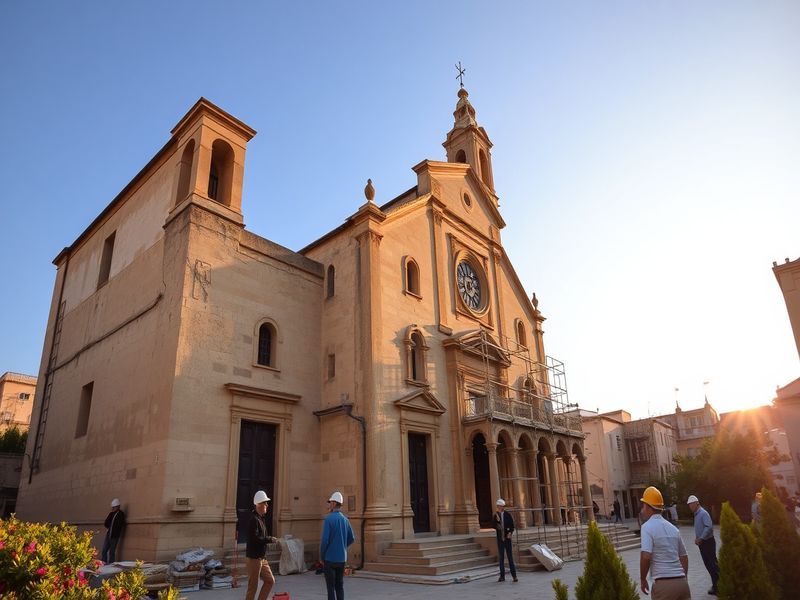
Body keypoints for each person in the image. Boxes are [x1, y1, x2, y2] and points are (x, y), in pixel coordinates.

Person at [639, 486, 690, 600]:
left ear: (648, 507)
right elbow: (684, 556)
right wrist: (684, 578)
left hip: (663, 586)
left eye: (643, 505)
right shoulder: (673, 528)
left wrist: (643, 579)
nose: (642, 510)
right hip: (682, 584)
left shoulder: (647, 527)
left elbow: (646, 556)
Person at [320, 491, 355, 600]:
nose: (329, 504)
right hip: (341, 559)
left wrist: (322, 556)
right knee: (339, 586)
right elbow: (352, 538)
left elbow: (325, 540)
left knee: (330, 587)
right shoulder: (345, 519)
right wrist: (343, 546)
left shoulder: (328, 519)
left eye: (330, 502)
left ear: (334, 503)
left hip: (329, 559)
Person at [245, 490, 278, 600]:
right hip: (254, 558)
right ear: (259, 504)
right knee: (252, 587)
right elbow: (255, 539)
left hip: (262, 558)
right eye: (265, 503)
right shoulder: (253, 520)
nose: (267, 505)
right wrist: (270, 539)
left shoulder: (260, 519)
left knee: (270, 580)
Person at [687, 494, 719, 596]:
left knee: (712, 565)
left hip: (708, 542)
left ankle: (718, 586)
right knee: (708, 565)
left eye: (691, 504)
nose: (690, 507)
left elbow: (708, 527)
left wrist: (701, 538)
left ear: (697, 503)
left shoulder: (703, 513)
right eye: (689, 505)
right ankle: (716, 584)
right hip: (703, 543)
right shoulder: (697, 514)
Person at [494, 498, 518, 582]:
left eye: (499, 506)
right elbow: (493, 525)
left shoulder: (508, 515)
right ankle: (502, 576)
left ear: (502, 506)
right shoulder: (496, 515)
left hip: (507, 539)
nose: (498, 507)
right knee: (501, 558)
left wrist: (510, 533)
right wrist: (497, 522)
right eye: (497, 506)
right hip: (500, 539)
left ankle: (514, 576)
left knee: (510, 557)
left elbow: (512, 526)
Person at [102, 498, 126, 563]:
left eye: (114, 507)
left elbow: (120, 524)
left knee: (112, 551)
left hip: (114, 536)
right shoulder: (111, 514)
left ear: (118, 506)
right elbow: (106, 523)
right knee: (104, 549)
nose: (113, 509)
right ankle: (104, 562)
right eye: (112, 507)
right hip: (109, 534)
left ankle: (111, 564)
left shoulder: (121, 514)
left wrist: (115, 529)